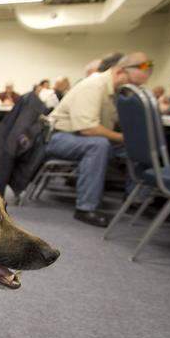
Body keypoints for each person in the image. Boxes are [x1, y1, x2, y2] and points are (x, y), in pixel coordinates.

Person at [45, 52, 153, 227]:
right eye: (132, 84)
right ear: (120, 72)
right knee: (98, 145)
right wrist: (124, 138)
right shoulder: (94, 86)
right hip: (60, 137)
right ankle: (85, 208)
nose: (131, 89)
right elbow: (88, 129)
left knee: (143, 145)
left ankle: (136, 199)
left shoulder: (115, 90)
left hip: (81, 136)